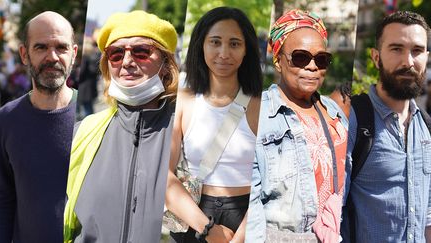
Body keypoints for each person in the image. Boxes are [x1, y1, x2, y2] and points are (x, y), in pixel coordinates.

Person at [63, 10, 178, 243]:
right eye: (116, 54)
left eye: (141, 52)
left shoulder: (186, 131)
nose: (127, 62)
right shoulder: (82, 133)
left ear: (166, 64)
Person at [246, 9, 348, 242]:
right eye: (301, 57)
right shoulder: (257, 114)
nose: (312, 66)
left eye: (321, 60)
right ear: (278, 60)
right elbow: (249, 205)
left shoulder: (334, 111)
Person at [165, 6, 262, 243]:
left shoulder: (262, 105)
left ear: (247, 49)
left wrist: (241, 237)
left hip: (246, 216)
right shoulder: (183, 101)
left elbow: (271, 182)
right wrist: (208, 229)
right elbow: (164, 176)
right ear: (201, 45)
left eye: (235, 44)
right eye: (215, 42)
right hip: (192, 213)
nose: (224, 53)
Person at [341, 11, 431, 242]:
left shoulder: (427, 127)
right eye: (396, 49)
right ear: (376, 57)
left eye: (417, 51)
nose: (408, 62)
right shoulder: (353, 121)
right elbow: (328, 214)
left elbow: (428, 216)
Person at [0, 11, 78, 243]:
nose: (52, 57)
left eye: (61, 48)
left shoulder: (96, 119)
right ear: (24, 54)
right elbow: (3, 199)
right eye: (41, 47)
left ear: (73, 54)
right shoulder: (6, 120)